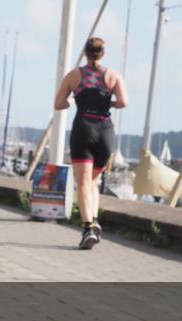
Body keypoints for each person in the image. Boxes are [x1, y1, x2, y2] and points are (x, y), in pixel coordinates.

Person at [54, 37, 128, 249]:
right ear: (102, 54)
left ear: (85, 53)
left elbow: (59, 103)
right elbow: (123, 102)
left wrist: (73, 100)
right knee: (94, 180)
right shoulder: (113, 76)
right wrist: (108, 102)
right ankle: (94, 222)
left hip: (84, 128)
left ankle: (88, 227)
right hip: (105, 130)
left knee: (84, 182)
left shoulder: (74, 75)